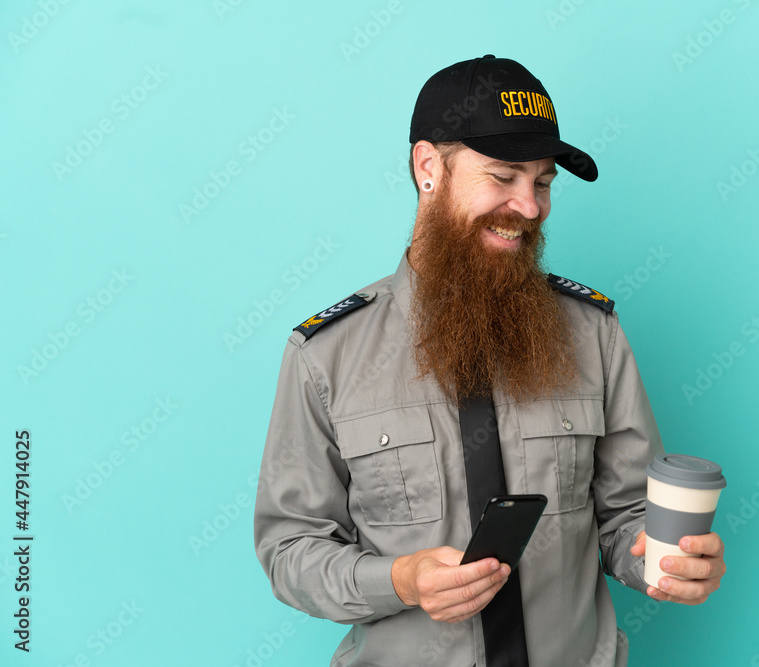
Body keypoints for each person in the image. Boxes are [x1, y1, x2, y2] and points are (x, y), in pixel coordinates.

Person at [253, 54, 726, 667]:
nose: (529, 208)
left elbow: (624, 517)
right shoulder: (326, 354)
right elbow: (291, 549)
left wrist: (664, 561)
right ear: (429, 167)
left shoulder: (594, 333)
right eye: (504, 177)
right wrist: (401, 581)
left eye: (543, 183)